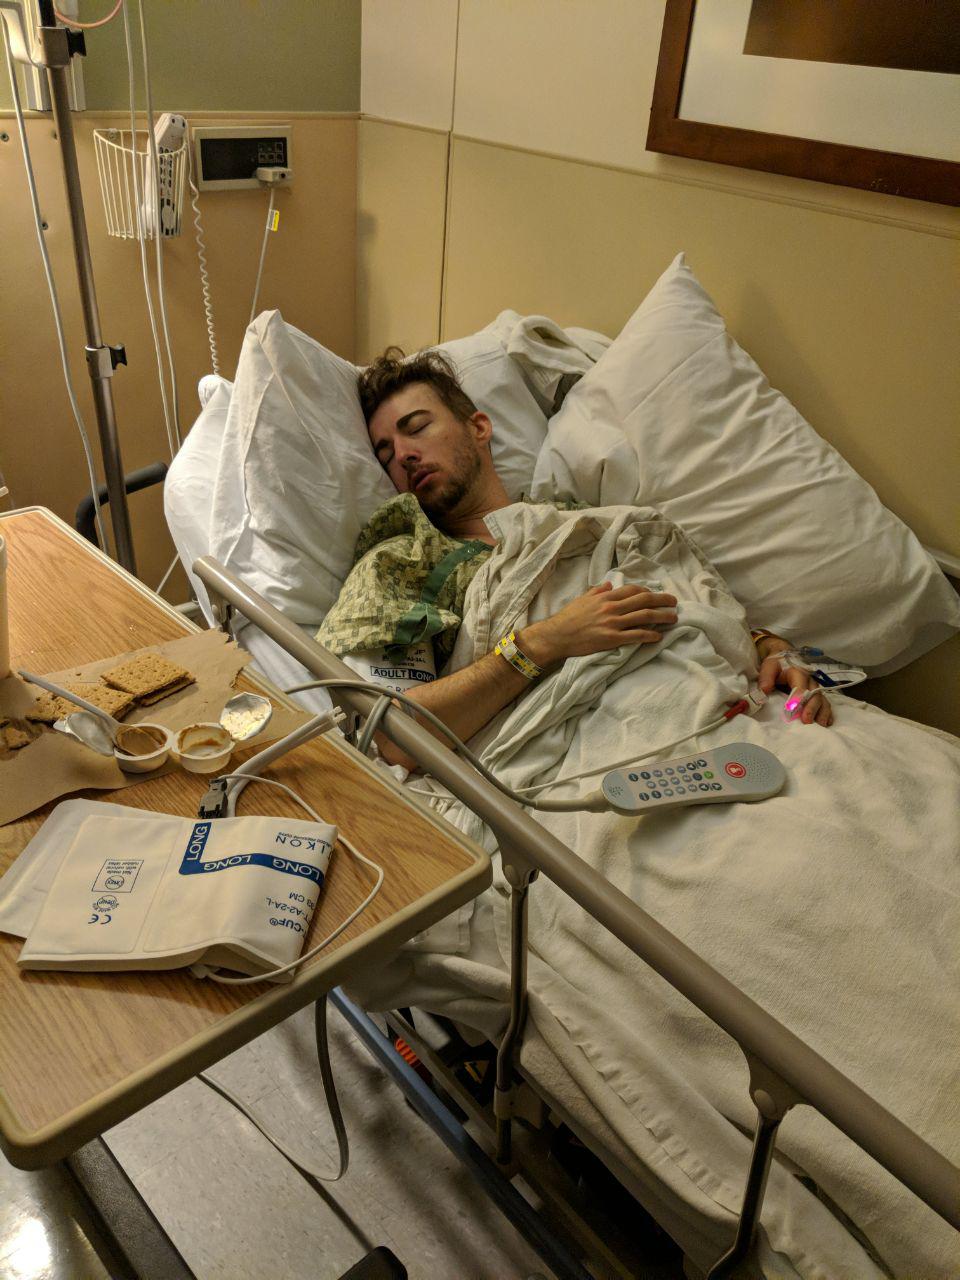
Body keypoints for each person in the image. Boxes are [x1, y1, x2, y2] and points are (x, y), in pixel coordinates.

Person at [325, 348, 832, 770]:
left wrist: (766, 647)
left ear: (478, 427)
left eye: (417, 427)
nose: (404, 455)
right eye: (386, 454)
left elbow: (683, 601)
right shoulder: (403, 562)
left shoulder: (586, 523)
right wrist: (543, 642)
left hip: (726, 713)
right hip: (593, 754)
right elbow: (394, 735)